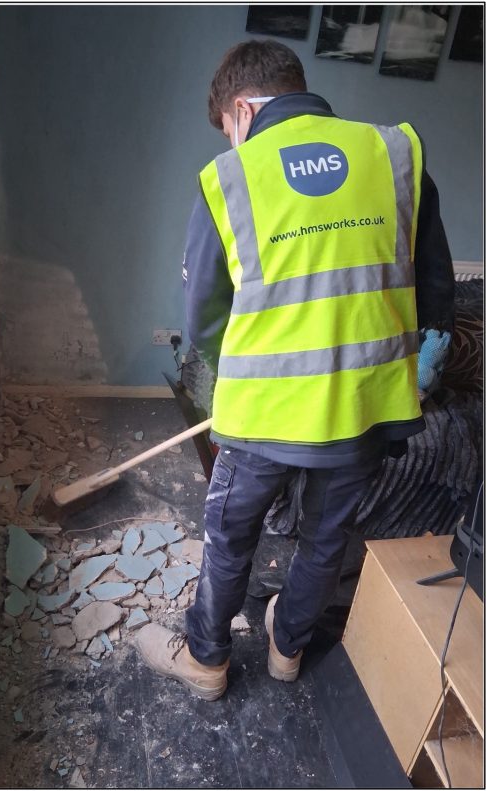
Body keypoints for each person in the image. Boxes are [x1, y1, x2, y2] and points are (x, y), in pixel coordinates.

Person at [136, 40, 455, 699]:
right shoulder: (395, 153)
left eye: (228, 127)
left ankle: (207, 659)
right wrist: (417, 367)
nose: (231, 142)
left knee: (229, 535)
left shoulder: (231, 177)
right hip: (367, 408)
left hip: (263, 416)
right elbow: (434, 287)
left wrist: (218, 397)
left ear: (243, 108)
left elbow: (201, 318)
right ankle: (288, 646)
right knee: (327, 535)